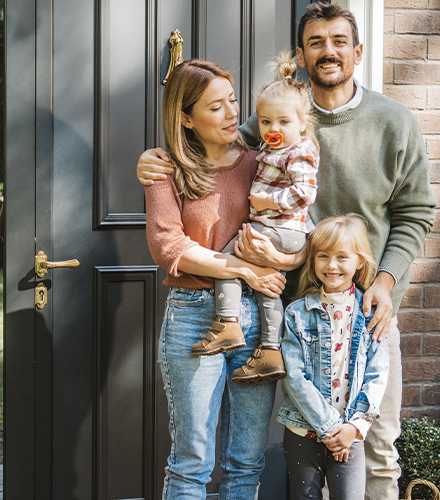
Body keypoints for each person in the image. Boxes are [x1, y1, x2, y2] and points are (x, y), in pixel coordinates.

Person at [139, 4, 435, 498]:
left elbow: (416, 213)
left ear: (358, 51)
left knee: (376, 446)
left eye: (339, 41)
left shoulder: (394, 123)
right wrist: (154, 159)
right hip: (294, 312)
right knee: (302, 449)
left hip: (367, 306)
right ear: (300, 55)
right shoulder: (266, 126)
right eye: (316, 42)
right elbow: (208, 152)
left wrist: (385, 281)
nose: (328, 51)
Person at [145, 58, 287, 500]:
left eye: (233, 102)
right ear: (185, 117)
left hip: (259, 320)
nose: (231, 115)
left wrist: (282, 257)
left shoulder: (261, 164)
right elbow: (169, 247)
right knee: (192, 463)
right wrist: (243, 268)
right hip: (193, 318)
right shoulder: (165, 170)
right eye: (215, 107)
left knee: (246, 460)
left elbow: (296, 224)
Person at [193, 53, 320, 387]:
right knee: (267, 287)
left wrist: (268, 200)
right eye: (265, 122)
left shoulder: (300, 150)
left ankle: (228, 322)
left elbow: (305, 193)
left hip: (281, 230)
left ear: (302, 123)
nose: (273, 129)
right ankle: (269, 349)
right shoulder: (271, 147)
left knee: (227, 257)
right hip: (280, 231)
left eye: (282, 122)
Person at [277, 215, 390, 500]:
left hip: (349, 436)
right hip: (303, 433)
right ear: (313, 259)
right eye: (323, 256)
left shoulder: (370, 315)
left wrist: (353, 428)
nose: (331, 265)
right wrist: (330, 428)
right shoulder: (296, 313)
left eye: (342, 257)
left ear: (359, 261)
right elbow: (294, 377)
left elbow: (376, 376)